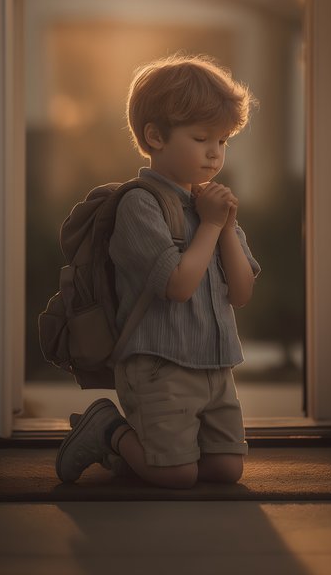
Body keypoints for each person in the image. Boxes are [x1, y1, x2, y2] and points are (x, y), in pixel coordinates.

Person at [56, 53, 261, 489]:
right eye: (202, 138)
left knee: (226, 470)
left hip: (215, 364)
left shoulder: (211, 206)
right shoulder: (140, 205)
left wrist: (223, 226)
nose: (214, 153)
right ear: (155, 136)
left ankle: (145, 450)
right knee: (175, 475)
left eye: (223, 141)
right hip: (158, 364)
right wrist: (209, 224)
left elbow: (241, 293)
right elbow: (178, 286)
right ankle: (107, 429)